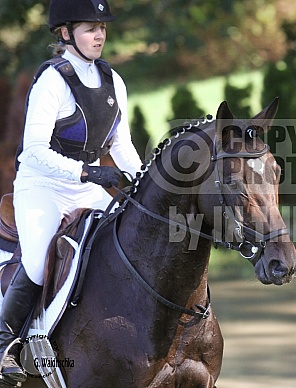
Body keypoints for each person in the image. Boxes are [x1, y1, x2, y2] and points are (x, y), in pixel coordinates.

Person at [0, 0, 143, 384]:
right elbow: (34, 149)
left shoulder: (114, 80)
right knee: (35, 261)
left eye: (102, 27)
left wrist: (144, 178)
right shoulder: (52, 80)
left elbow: (121, 144)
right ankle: (3, 345)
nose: (99, 35)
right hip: (42, 186)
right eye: (89, 28)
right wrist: (85, 171)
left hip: (89, 186)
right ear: (66, 33)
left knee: (123, 242)